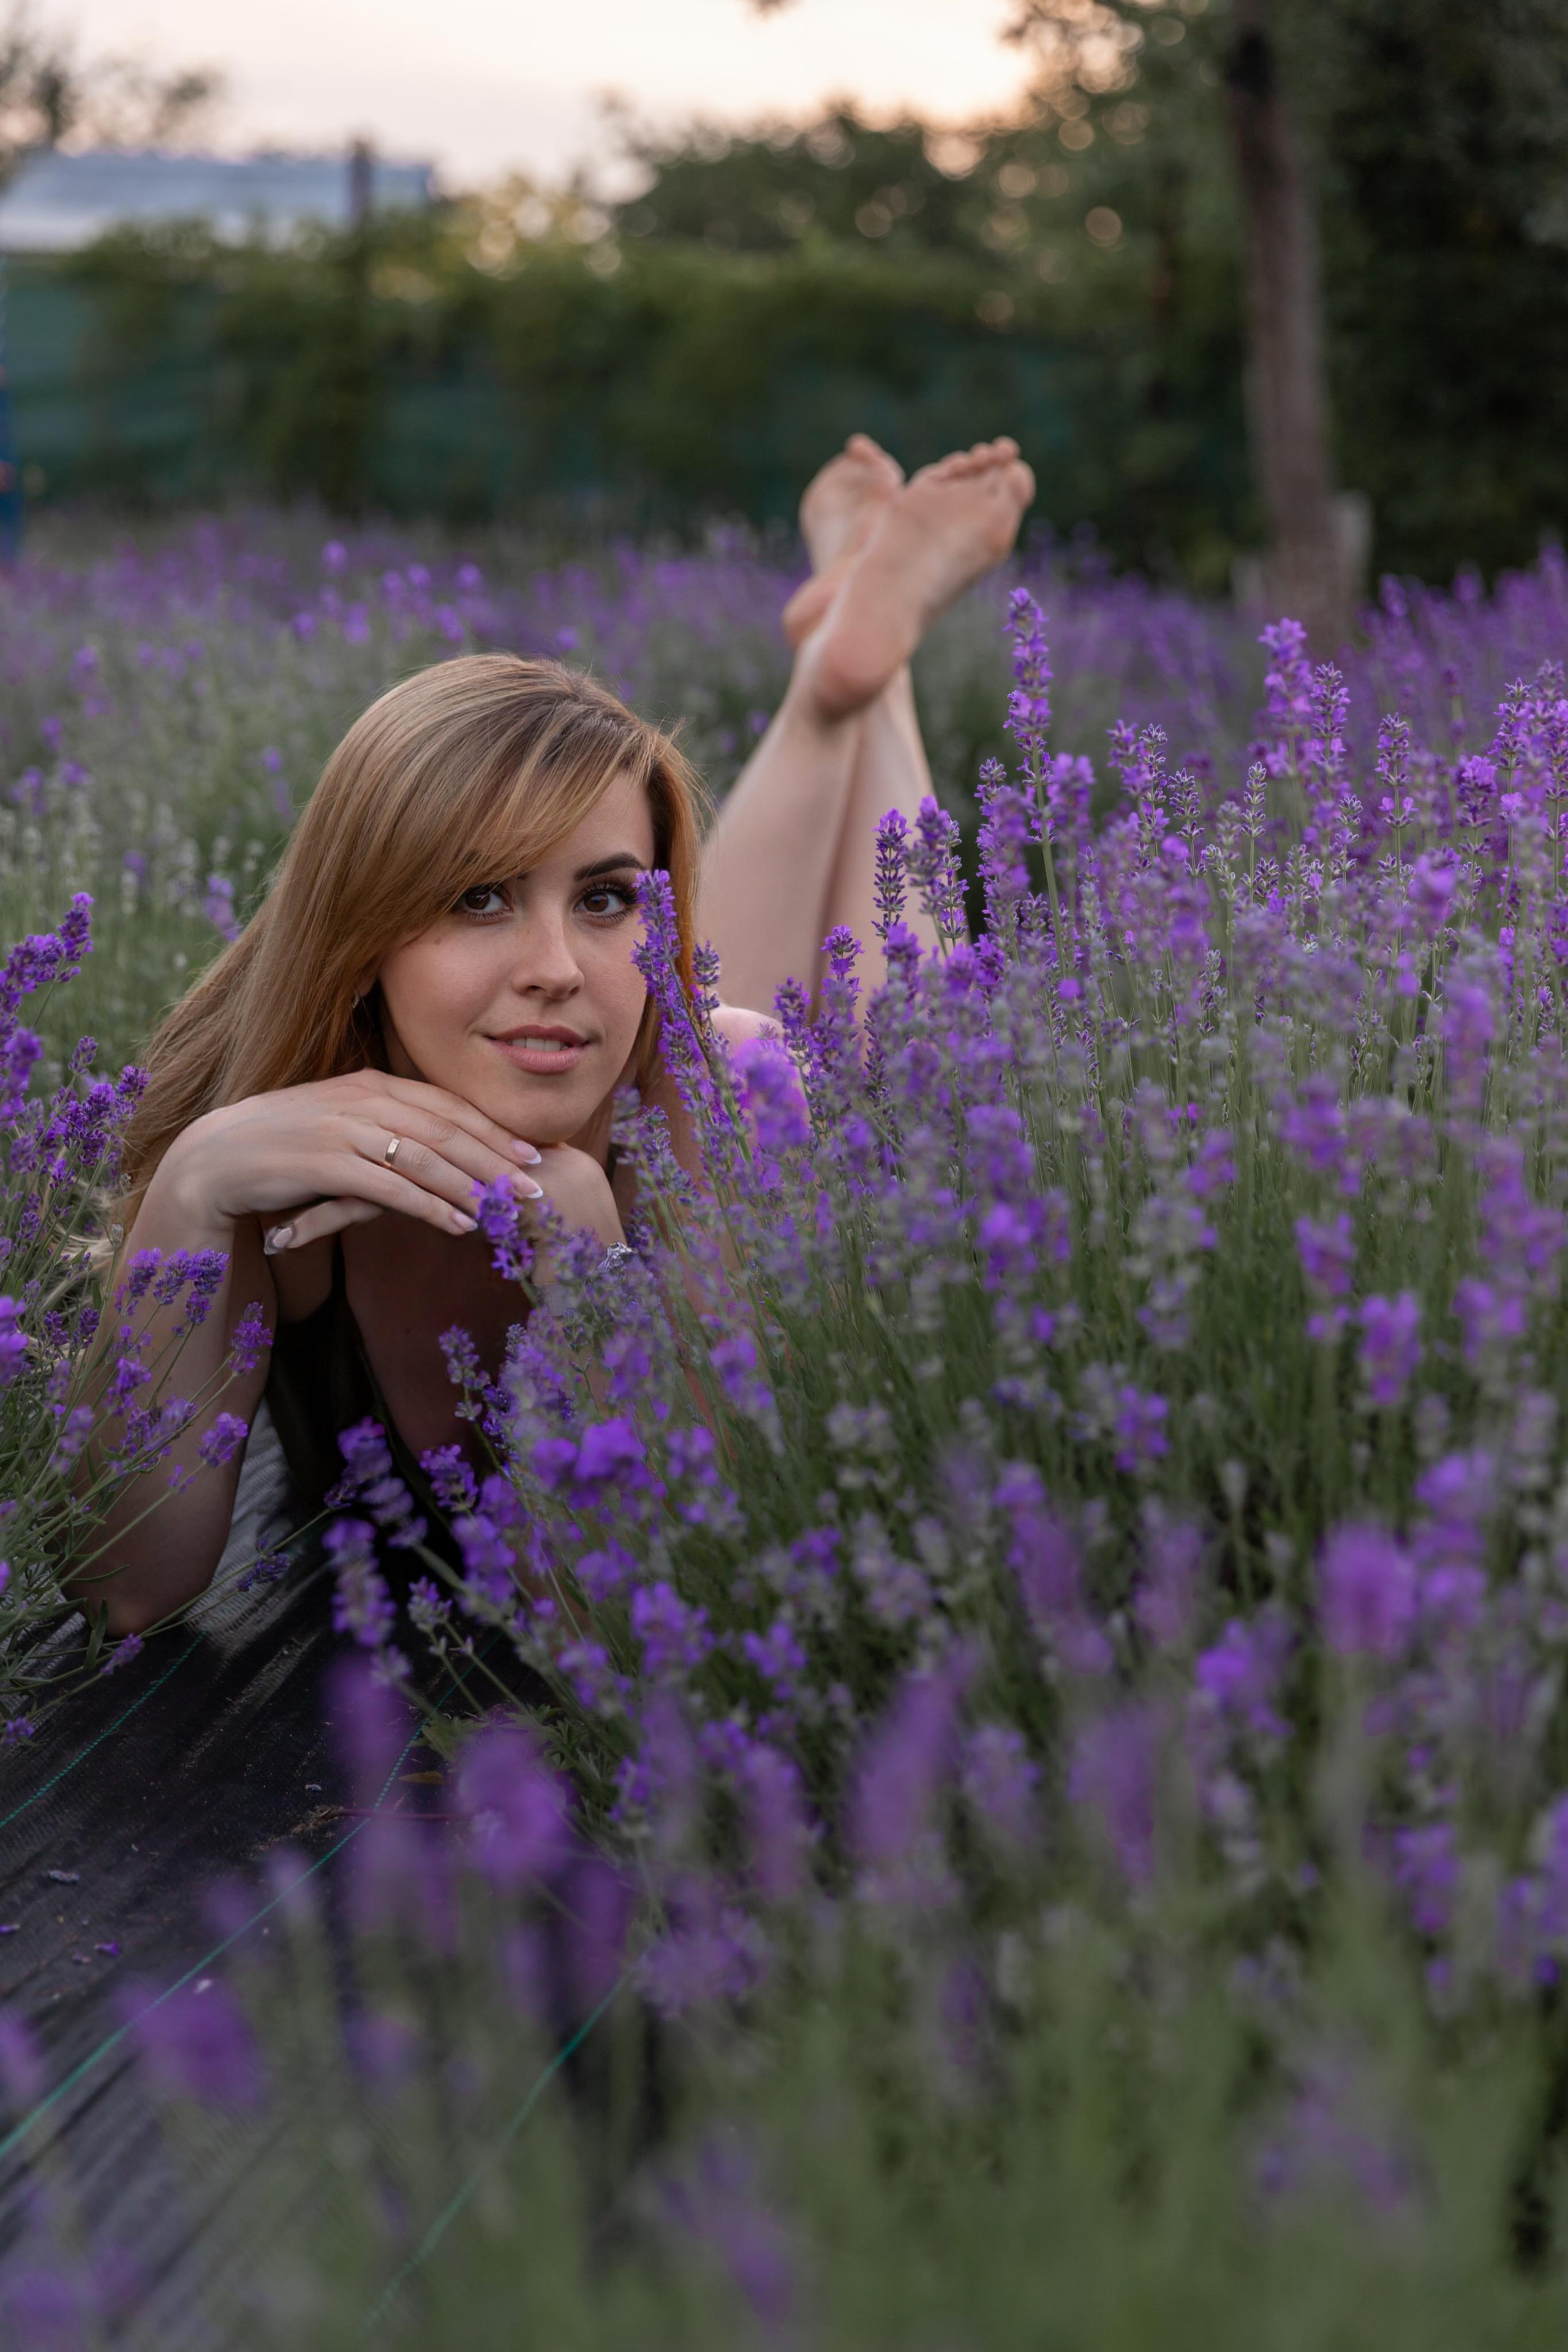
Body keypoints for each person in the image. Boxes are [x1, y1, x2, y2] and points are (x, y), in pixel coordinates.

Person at [87, 434, 1035, 1636]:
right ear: (361, 931)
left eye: (607, 897)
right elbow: (122, 1587)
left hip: (746, 1106)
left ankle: (864, 671)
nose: (551, 968)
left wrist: (591, 1290)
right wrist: (189, 1187)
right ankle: (847, 664)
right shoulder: (271, 1135)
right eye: (477, 896)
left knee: (905, 1048)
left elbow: (660, 1608)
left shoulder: (729, 1097)